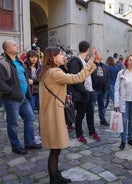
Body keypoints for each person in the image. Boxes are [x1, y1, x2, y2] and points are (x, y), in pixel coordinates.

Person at [39, 46, 96, 183]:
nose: (63, 56)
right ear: (53, 58)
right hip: (54, 114)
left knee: (56, 148)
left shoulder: (48, 72)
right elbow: (78, 77)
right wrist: (91, 62)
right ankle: (54, 178)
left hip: (51, 113)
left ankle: (56, 174)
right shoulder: (54, 72)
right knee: (55, 149)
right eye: (60, 54)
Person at [0, 40, 42, 154]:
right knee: (13, 124)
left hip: (24, 97)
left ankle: (29, 142)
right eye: (14, 45)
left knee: (30, 118)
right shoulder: (2, 63)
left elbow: (25, 76)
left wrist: (27, 91)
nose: (17, 46)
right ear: (7, 49)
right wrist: (12, 92)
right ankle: (16, 146)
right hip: (12, 99)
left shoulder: (19, 61)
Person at [67, 41, 100, 144]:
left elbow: (89, 71)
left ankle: (92, 132)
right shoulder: (75, 61)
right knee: (80, 115)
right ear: (87, 49)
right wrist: (84, 91)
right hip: (82, 93)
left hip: (89, 92)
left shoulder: (84, 60)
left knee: (90, 114)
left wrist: (92, 58)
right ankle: (79, 134)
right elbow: (75, 79)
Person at [114, 54, 132, 150]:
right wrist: (117, 103)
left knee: (131, 121)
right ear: (126, 62)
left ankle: (130, 138)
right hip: (124, 100)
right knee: (124, 120)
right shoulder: (121, 73)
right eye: (129, 60)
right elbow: (116, 88)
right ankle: (123, 140)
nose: (131, 62)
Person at [91, 50, 110, 126]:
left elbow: (107, 76)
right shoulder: (92, 65)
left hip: (103, 90)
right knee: (92, 106)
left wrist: (107, 86)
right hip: (94, 90)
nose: (101, 55)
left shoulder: (104, 66)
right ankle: (91, 120)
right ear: (95, 56)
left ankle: (102, 120)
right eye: (99, 53)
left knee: (102, 106)